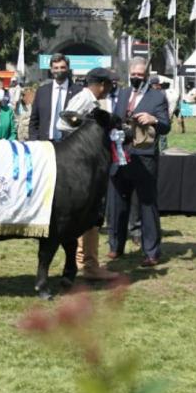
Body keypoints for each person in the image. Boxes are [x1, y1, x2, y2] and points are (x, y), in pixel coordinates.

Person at [106, 57, 171, 267]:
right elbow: (115, 120)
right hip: (120, 156)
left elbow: (165, 126)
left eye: (140, 75)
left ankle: (151, 251)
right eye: (133, 74)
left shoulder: (157, 97)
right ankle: (115, 246)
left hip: (145, 158)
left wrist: (153, 120)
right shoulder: (123, 93)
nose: (136, 78)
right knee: (117, 203)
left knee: (147, 204)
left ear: (147, 74)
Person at [56, 67, 118, 281]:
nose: (110, 89)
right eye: (109, 84)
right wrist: (85, 133)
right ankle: (87, 264)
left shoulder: (90, 100)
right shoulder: (84, 99)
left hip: (85, 161)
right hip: (78, 162)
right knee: (87, 211)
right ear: (101, 84)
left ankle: (87, 261)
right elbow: (62, 123)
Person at [28, 53, 82, 141]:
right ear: (51, 69)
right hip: (45, 143)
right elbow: (34, 121)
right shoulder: (42, 91)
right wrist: (34, 141)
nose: (59, 70)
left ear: (68, 68)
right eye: (56, 68)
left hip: (69, 144)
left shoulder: (78, 92)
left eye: (62, 67)